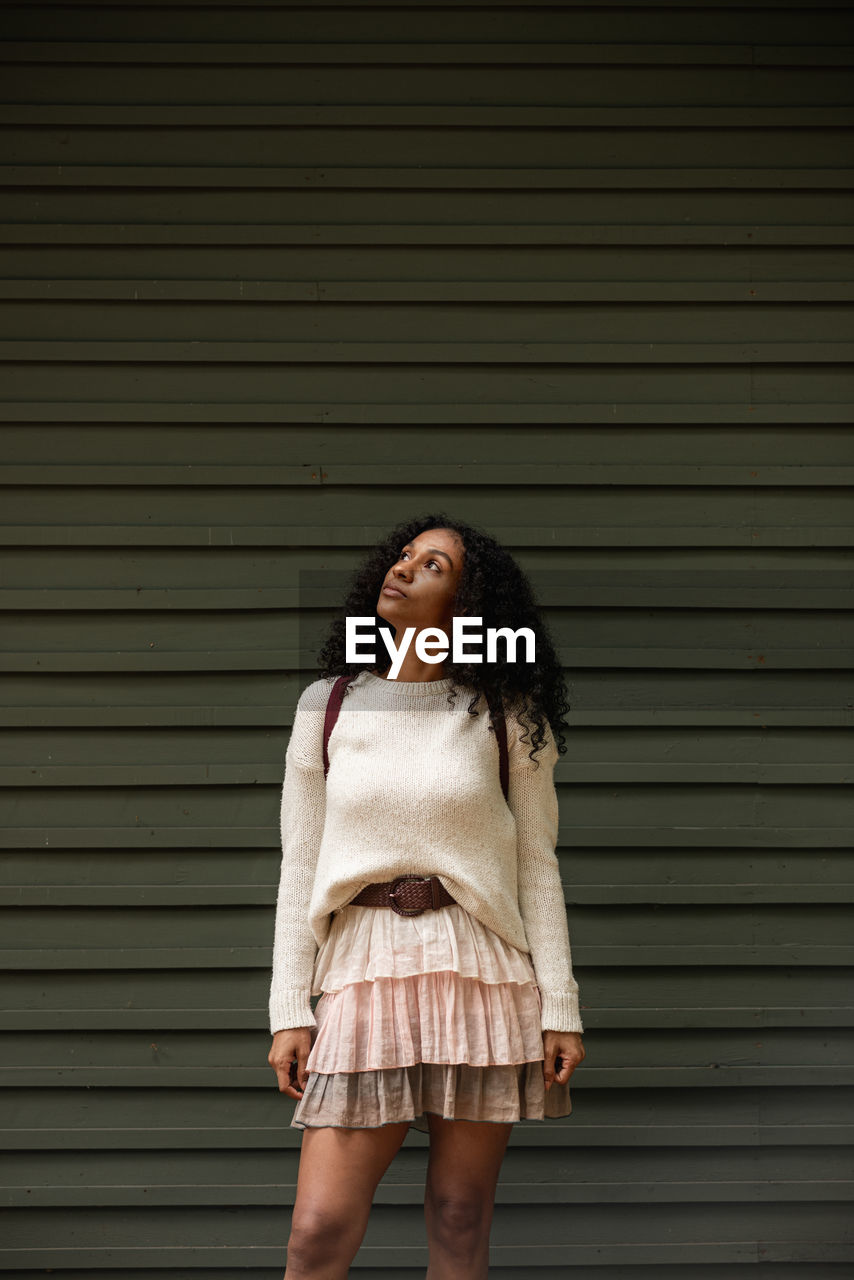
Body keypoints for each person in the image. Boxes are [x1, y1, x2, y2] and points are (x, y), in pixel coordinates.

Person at [268, 513, 586, 1279]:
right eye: (403, 556)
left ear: (468, 606)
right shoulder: (329, 707)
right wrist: (289, 1009)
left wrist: (560, 1006)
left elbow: (538, 866)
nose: (404, 569)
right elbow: (298, 865)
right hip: (360, 968)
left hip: (478, 968)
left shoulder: (506, 717)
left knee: (458, 1217)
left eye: (433, 565)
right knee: (317, 1230)